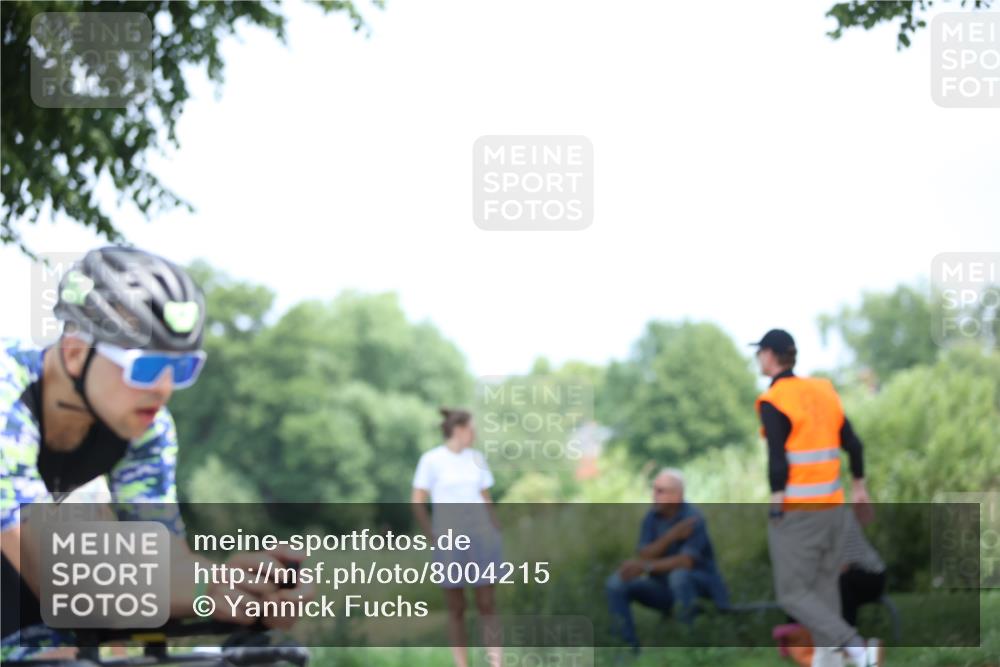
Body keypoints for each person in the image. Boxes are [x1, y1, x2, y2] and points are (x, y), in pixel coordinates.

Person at [1, 247, 310, 660]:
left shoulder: (146, 424)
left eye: (180, 370)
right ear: (75, 354)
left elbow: (160, 560)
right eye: (145, 367)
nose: (163, 388)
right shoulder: (7, 391)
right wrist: (205, 588)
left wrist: (241, 585)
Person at [752, 328, 882, 667]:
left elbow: (778, 461)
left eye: (759, 353)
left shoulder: (774, 399)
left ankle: (857, 648)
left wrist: (777, 503)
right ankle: (834, 663)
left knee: (792, 593)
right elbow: (854, 444)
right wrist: (859, 487)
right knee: (825, 593)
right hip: (834, 510)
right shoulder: (824, 390)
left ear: (769, 354)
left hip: (798, 511)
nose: (758, 360)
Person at [411, 408, 502, 667]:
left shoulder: (477, 458)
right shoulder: (431, 460)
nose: (475, 435)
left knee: (487, 604)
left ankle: (496, 663)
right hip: (450, 541)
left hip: (482, 539)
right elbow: (417, 502)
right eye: (472, 429)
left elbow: (486, 498)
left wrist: (496, 529)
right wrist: (432, 535)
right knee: (457, 608)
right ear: (459, 429)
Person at [605, 468, 729, 653]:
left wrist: (646, 566)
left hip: (699, 587)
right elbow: (645, 554)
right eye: (654, 489)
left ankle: (690, 645)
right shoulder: (651, 517)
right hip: (663, 589)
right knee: (616, 583)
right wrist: (671, 536)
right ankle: (627, 650)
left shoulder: (693, 518)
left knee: (679, 577)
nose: (654, 495)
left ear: (676, 495)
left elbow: (686, 562)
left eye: (660, 491)